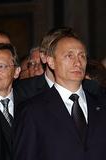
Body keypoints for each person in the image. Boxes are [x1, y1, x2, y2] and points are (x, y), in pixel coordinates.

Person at [14, 28, 106, 160]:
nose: (78, 62)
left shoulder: (102, 104)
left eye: (82, 56)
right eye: (69, 56)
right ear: (51, 62)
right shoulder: (32, 111)